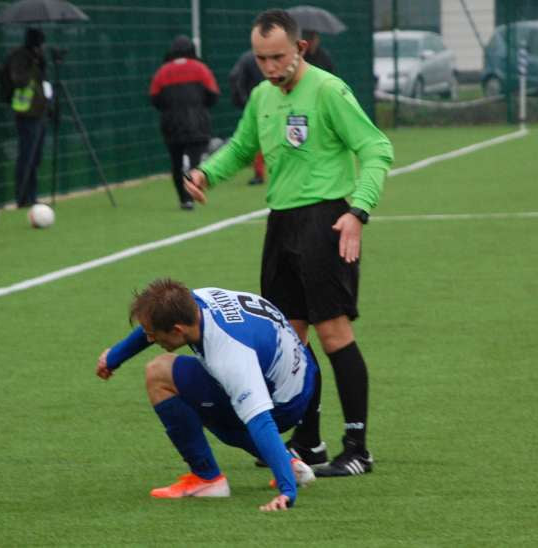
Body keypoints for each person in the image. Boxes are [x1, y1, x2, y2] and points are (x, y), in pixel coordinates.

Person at [184, 9, 393, 477]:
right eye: (262, 59)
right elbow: (241, 148)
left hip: (326, 219)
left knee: (334, 333)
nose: (271, 67)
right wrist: (205, 173)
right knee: (289, 341)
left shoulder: (328, 90)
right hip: (280, 224)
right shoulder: (261, 96)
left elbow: (377, 148)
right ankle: (308, 442)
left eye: (278, 56)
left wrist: (357, 212)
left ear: (300, 48)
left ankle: (357, 448)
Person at [95, 278, 318, 511]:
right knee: (217, 412)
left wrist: (287, 491)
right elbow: (154, 323)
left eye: (154, 335)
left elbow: (261, 421)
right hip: (302, 377)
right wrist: (115, 357)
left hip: (282, 404)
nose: (150, 339)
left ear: (177, 330)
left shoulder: (229, 355)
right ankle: (289, 463)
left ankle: (207, 479)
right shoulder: (194, 301)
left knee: (158, 373)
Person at [149, 35, 219, 210]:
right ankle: (192, 195)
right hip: (197, 124)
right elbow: (213, 95)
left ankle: (183, 199)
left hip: (171, 125)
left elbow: (155, 99)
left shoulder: (162, 72)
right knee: (194, 163)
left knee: (176, 162)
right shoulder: (201, 69)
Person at [2, 28, 49, 208]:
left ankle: (32, 195)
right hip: (26, 112)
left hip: (39, 110)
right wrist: (32, 64)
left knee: (35, 157)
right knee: (26, 155)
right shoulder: (21, 57)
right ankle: (22, 197)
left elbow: (43, 81)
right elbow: (19, 80)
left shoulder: (38, 59)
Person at [227, 50, 265, 185]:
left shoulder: (246, 58)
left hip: (253, 101)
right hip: (274, 99)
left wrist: (242, 100)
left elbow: (234, 77)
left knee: (255, 137)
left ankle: (260, 172)